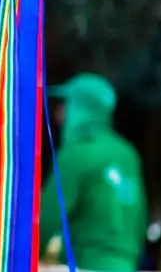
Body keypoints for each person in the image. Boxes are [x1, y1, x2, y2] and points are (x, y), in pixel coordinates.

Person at [39, 72, 148, 271]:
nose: (58, 114)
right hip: (127, 263)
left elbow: (48, 217)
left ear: (80, 109)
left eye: (65, 105)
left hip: (86, 263)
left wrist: (16, 258)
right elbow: (140, 216)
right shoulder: (128, 153)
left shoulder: (76, 154)